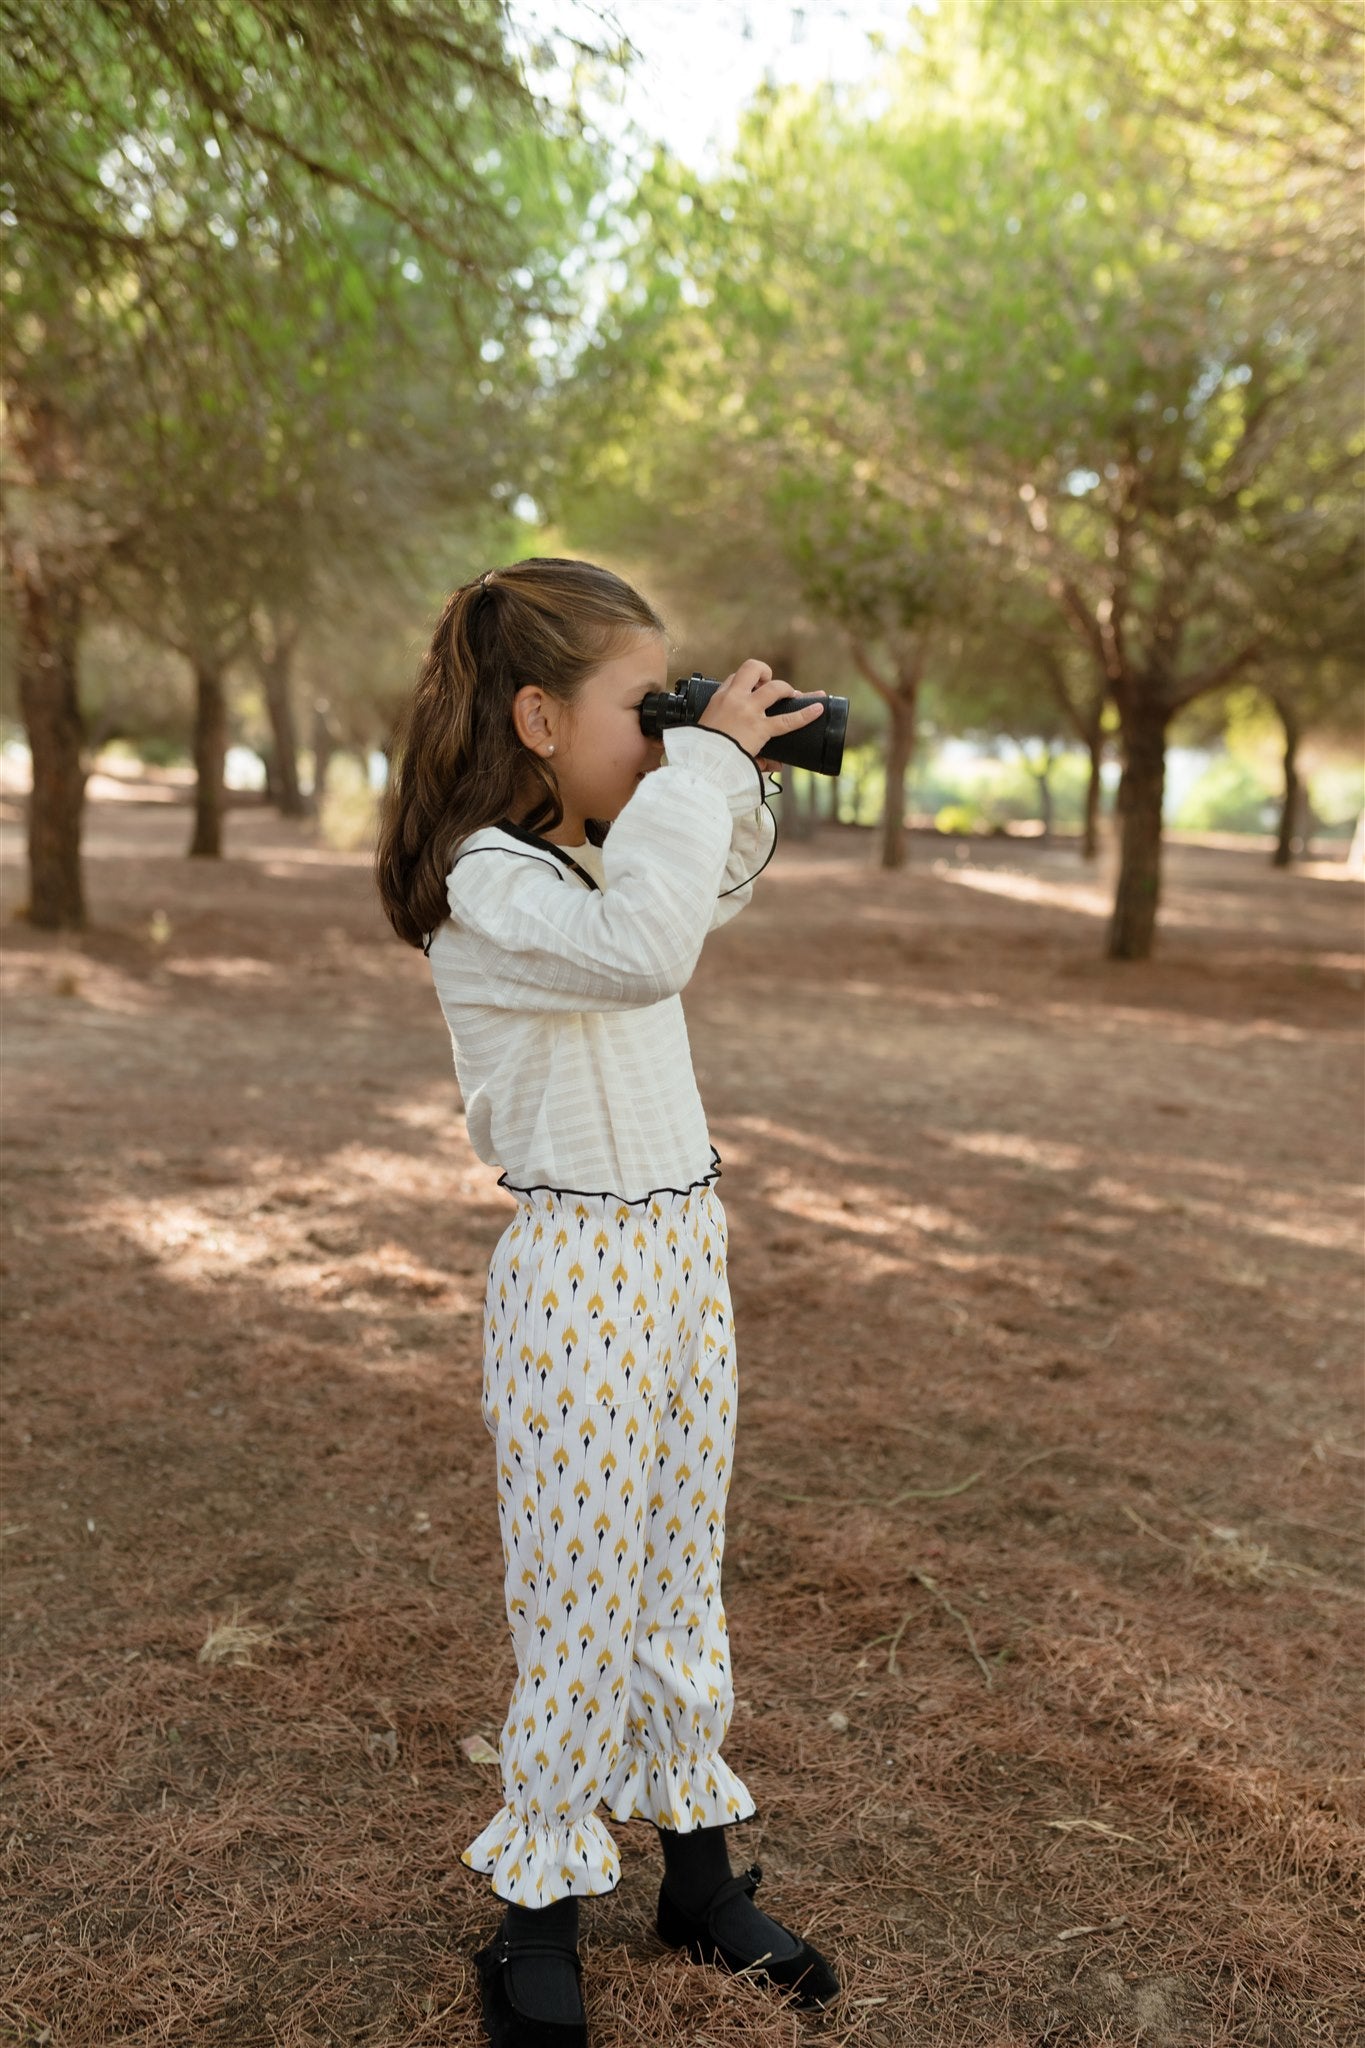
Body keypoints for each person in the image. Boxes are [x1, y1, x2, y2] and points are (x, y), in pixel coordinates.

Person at [375, 558, 840, 2047]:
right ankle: (534, 1923)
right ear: (531, 717)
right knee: (577, 1599)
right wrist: (700, 761)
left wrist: (725, 754)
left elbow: (700, 881)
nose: (659, 736)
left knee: (672, 1578)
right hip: (577, 1268)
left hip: (679, 1250)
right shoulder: (489, 886)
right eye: (635, 708)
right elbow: (649, 946)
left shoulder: (600, 854)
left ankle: (695, 1876)